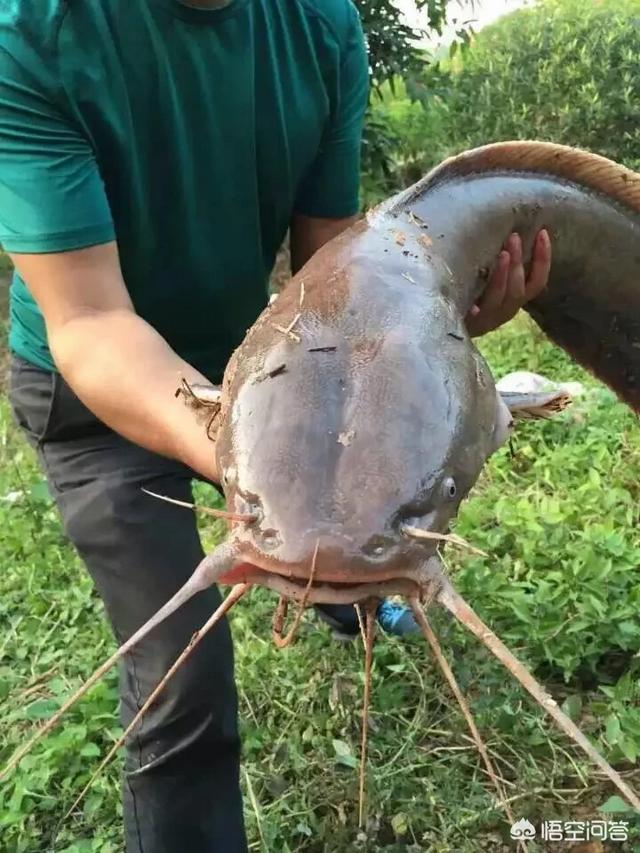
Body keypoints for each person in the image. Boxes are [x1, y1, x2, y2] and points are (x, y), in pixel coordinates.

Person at [0, 1, 551, 850]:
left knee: (341, 520)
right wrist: (260, 467)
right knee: (180, 686)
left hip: (262, 365)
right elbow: (90, 325)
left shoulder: (322, 23)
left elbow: (334, 279)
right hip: (89, 393)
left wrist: (427, 334)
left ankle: (340, 589)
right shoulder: (29, 31)